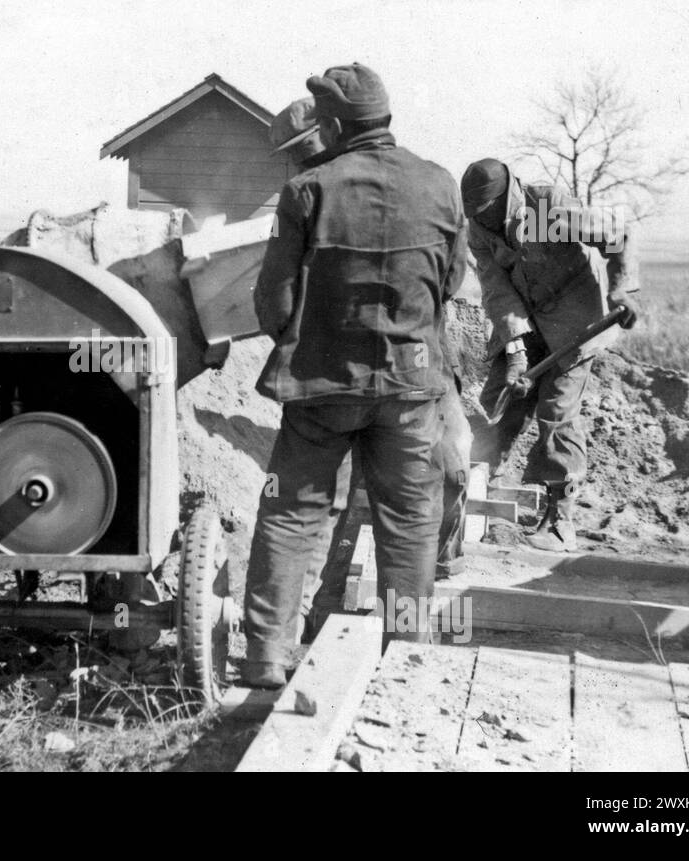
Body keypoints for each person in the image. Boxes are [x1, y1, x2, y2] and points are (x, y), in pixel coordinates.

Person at [243, 66, 469, 688]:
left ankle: (265, 659)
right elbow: (449, 285)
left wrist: (314, 336)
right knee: (411, 518)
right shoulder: (443, 186)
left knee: (291, 513)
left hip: (322, 388)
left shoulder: (307, 190)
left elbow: (274, 306)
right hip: (411, 389)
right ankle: (407, 652)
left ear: (335, 125)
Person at [460, 158, 640, 552]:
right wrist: (517, 353)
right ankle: (480, 498)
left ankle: (561, 518)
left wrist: (622, 289)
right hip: (523, 317)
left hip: (573, 317)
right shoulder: (478, 230)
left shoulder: (545, 209)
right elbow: (496, 289)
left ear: (506, 198)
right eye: (475, 214)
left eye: (487, 210)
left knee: (556, 411)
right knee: (499, 401)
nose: (482, 219)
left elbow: (617, 234)